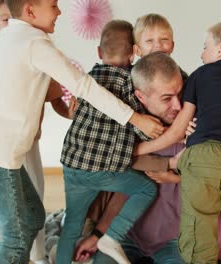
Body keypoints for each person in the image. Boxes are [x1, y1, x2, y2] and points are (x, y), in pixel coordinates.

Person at [0, 0, 163, 261]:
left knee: (34, 217)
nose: (59, 11)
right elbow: (84, 86)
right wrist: (136, 118)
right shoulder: (35, 42)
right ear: (30, 11)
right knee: (15, 237)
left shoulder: (2, 39)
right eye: (53, 5)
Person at [134, 19, 221, 264]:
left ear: (220, 49)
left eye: (205, 47)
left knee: (200, 232)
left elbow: (185, 125)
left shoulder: (199, 79)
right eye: (150, 40)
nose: (202, 54)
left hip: (206, 163)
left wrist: (182, 134)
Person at [57, 20, 159, 264]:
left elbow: (77, 112)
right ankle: (111, 236)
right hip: (102, 170)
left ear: (99, 52)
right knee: (147, 189)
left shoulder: (87, 79)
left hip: (72, 164)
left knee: (72, 223)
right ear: (134, 52)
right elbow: (140, 125)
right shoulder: (127, 83)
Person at [0, 2, 77, 263]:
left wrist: (70, 112)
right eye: (3, 20)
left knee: (33, 201)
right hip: (0, 144)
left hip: (28, 141)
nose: (9, 24)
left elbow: (57, 98)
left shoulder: (40, 48)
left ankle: (35, 255)